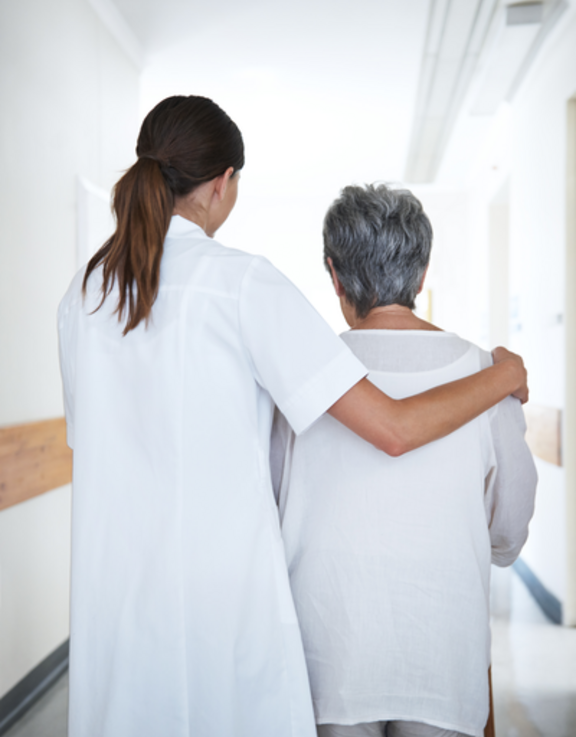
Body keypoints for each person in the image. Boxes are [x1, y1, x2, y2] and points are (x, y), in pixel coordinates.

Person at [58, 97, 528, 737]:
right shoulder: (241, 283)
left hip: (116, 598)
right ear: (223, 182)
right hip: (226, 598)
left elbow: (94, 443)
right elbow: (392, 429)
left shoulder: (81, 297)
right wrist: (502, 375)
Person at [273, 183, 538, 737]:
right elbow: (510, 528)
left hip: (328, 654)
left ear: (335, 274)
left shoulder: (300, 378)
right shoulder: (489, 378)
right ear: (422, 275)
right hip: (443, 651)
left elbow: (269, 509)